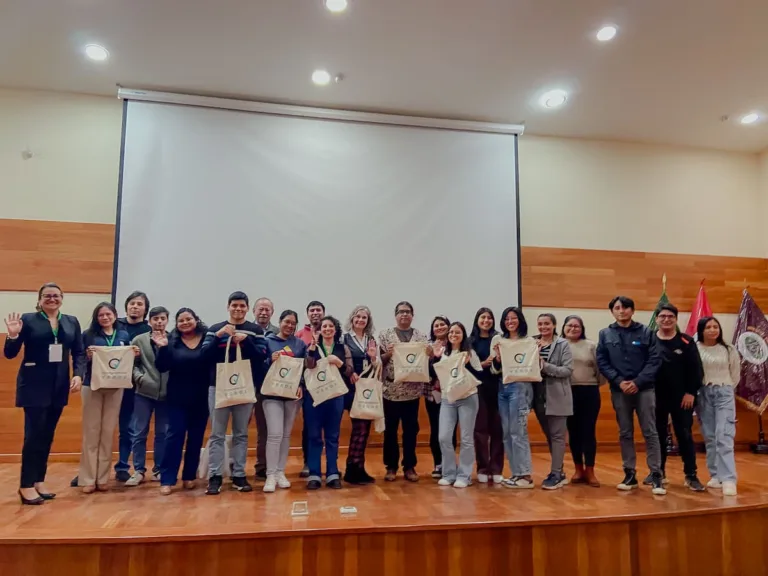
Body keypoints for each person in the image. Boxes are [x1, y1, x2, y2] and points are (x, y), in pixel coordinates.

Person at [4, 282, 85, 505]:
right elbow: (10, 354)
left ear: (62, 298)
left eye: (56, 295)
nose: (52, 299)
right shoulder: (28, 320)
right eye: (47, 296)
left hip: (59, 386)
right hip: (33, 386)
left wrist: (78, 375)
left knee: (47, 435)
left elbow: (78, 352)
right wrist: (12, 336)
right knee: (33, 436)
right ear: (39, 299)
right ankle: (26, 485)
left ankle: (39, 480)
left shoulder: (71, 321)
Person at [596, 295, 665, 495]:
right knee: (625, 432)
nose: (622, 311)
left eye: (626, 308)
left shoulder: (646, 332)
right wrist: (618, 381)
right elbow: (602, 361)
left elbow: (654, 360)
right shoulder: (605, 334)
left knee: (650, 431)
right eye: (617, 308)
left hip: (644, 389)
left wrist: (637, 382)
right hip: (619, 390)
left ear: (632, 311)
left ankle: (656, 475)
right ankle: (629, 473)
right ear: (612, 311)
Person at [204, 291, 267, 495]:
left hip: (245, 387)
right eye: (234, 306)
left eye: (242, 306)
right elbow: (204, 355)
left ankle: (239, 474)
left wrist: (245, 341)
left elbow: (261, 357)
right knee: (217, 434)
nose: (238, 309)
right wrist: (220, 337)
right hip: (218, 386)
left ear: (247, 308)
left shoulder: (255, 330)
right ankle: (215, 476)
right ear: (228, 307)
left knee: (241, 433)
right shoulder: (215, 329)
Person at [78, 302, 135, 493]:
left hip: (115, 387)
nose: (105, 318)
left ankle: (102, 478)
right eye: (101, 315)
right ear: (96, 317)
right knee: (91, 432)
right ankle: (87, 479)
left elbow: (125, 361)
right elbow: (79, 358)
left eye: (108, 314)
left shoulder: (123, 336)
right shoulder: (88, 335)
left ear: (114, 315)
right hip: (92, 386)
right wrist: (87, 356)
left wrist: (133, 353)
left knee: (107, 433)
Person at [154, 308, 211, 495]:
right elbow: (162, 367)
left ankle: (189, 477)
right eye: (181, 321)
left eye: (189, 319)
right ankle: (167, 479)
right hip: (177, 398)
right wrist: (162, 348)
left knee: (195, 439)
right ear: (176, 324)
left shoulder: (206, 339)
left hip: (201, 398)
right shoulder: (171, 341)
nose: (185, 322)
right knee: (174, 437)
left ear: (196, 320)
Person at [650, 303, 705, 492]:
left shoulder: (686, 342)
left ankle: (691, 475)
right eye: (662, 316)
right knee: (657, 436)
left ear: (675, 319)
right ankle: (658, 473)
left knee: (684, 435)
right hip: (655, 397)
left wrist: (691, 392)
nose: (666, 319)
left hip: (683, 398)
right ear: (656, 319)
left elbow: (696, 370)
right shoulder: (649, 340)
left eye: (670, 316)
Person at [379, 301, 431, 482]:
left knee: (411, 430)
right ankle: (391, 467)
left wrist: (430, 353)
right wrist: (388, 354)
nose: (404, 315)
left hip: (412, 392)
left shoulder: (421, 337)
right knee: (390, 431)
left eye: (408, 312)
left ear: (412, 315)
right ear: (395, 315)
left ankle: (409, 466)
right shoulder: (385, 336)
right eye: (401, 312)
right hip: (390, 391)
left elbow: (427, 360)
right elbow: (378, 361)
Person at [261, 310, 309, 493]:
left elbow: (304, 368)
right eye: (286, 322)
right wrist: (268, 360)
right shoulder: (268, 341)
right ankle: (270, 475)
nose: (289, 326)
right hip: (271, 395)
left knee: (286, 435)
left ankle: (281, 472)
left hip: (291, 396)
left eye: (293, 323)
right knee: (274, 434)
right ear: (280, 322)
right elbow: (258, 365)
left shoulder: (299, 344)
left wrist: (301, 385)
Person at [434, 322, 483, 488]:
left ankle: (465, 475)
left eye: (457, 332)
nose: (454, 335)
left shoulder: (469, 353)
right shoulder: (443, 353)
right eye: (451, 332)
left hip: (467, 397)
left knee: (467, 438)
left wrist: (468, 364)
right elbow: (437, 375)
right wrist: (435, 357)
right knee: (444, 437)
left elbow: (479, 375)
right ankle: (449, 474)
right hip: (448, 399)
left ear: (463, 335)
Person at [696, 316, 741, 497]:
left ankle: (729, 478)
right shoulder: (695, 349)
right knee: (710, 436)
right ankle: (716, 475)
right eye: (708, 327)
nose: (713, 330)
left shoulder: (729, 349)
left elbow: (735, 375)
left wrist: (726, 388)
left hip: (724, 392)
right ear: (701, 330)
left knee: (724, 435)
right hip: (703, 393)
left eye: (716, 326)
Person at [125, 306, 170, 487]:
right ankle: (138, 470)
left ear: (167, 320)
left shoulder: (173, 339)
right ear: (149, 321)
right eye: (155, 319)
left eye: (162, 318)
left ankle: (159, 469)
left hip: (167, 395)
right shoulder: (139, 339)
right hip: (143, 393)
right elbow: (131, 363)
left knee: (163, 433)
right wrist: (139, 378)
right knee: (139, 432)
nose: (159, 322)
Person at [491, 307, 535, 489]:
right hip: (503, 388)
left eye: (514, 318)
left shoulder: (529, 341)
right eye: (507, 319)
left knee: (519, 432)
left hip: (521, 387)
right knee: (507, 433)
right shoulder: (499, 340)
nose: (510, 321)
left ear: (520, 320)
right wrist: (499, 359)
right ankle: (516, 473)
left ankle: (525, 474)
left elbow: (533, 367)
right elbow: (494, 370)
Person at [305, 315, 351, 489]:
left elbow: (349, 372)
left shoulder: (342, 348)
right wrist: (311, 348)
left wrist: (338, 362)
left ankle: (332, 472)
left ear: (335, 329)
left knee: (332, 436)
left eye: (330, 326)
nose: (327, 329)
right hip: (314, 397)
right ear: (318, 330)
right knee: (314, 436)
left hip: (335, 397)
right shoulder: (312, 347)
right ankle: (314, 474)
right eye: (324, 326)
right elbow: (308, 366)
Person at [113, 290, 152, 483]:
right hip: (109, 382)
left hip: (134, 386)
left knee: (128, 427)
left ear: (145, 309)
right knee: (99, 428)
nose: (135, 306)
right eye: (132, 303)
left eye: (139, 304)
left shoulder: (148, 330)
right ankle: (94, 468)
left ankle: (122, 466)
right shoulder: (113, 324)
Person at [534, 313, 573, 490]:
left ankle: (556, 473)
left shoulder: (562, 344)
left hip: (558, 395)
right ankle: (559, 471)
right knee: (549, 436)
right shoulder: (532, 343)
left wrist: (544, 365)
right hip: (538, 396)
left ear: (554, 325)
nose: (543, 327)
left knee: (558, 437)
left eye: (547, 324)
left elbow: (567, 370)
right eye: (540, 324)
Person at [341, 305, 380, 485]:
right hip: (350, 388)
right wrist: (349, 373)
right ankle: (350, 468)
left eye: (364, 318)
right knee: (358, 428)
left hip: (367, 388)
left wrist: (373, 357)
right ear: (352, 319)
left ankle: (359, 467)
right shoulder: (344, 338)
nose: (360, 320)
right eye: (357, 317)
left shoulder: (371, 339)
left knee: (364, 429)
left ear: (368, 321)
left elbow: (377, 365)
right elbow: (341, 362)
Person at [562, 315, 602, 487]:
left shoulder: (591, 345)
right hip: (566, 392)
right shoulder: (559, 345)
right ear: (563, 327)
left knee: (588, 431)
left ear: (582, 328)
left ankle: (590, 470)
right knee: (573, 432)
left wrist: (592, 383)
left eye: (577, 326)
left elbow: (601, 370)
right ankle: (578, 469)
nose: (573, 328)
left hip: (589, 391)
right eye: (569, 325)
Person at [470, 307, 504, 484]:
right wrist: (481, 365)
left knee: (498, 430)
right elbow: (466, 367)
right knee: (480, 431)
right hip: (478, 390)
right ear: (477, 320)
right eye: (483, 317)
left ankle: (496, 468)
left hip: (499, 388)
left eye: (489, 318)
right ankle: (483, 467)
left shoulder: (499, 339)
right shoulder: (470, 341)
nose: (486, 320)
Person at [295, 300, 326, 478]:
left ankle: (328, 464)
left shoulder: (330, 330)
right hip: (308, 388)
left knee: (328, 428)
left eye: (318, 310)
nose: (315, 313)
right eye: (312, 310)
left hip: (328, 387)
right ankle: (308, 462)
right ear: (308, 314)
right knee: (309, 427)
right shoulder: (300, 334)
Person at [252, 297, 277, 480]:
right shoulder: (246, 329)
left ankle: (263, 465)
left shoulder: (277, 333)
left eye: (267, 309)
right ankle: (232, 466)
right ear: (253, 311)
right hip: (243, 383)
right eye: (260, 309)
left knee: (264, 429)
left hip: (266, 386)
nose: (264, 312)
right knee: (239, 429)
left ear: (272, 313)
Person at [426, 315, 451, 479]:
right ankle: (438, 463)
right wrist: (433, 358)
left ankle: (449, 464)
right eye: (436, 325)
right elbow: (426, 372)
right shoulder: (427, 348)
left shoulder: (455, 345)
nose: (440, 327)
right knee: (435, 429)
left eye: (443, 324)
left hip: (451, 393)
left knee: (450, 431)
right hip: (432, 394)